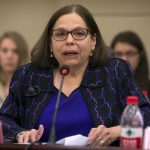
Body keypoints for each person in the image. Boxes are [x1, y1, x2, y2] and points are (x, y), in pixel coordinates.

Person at [0, 5, 150, 147]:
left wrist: (117, 131)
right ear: (50, 43)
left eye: (79, 33)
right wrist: (20, 133)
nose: (69, 41)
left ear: (93, 41)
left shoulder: (116, 71)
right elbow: (4, 119)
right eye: (60, 34)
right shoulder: (27, 75)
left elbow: (146, 114)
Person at [111, 31, 150, 98]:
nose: (124, 59)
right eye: (118, 54)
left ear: (140, 56)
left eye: (130, 53)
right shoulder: (104, 88)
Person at [0, 31, 29, 107]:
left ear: (22, 55)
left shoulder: (31, 86)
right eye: (5, 50)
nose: (9, 56)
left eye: (15, 51)